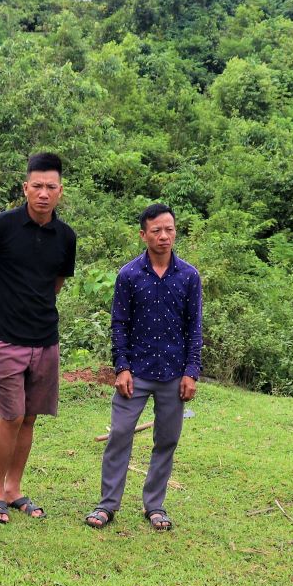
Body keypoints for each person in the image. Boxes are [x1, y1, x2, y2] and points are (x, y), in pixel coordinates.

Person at [0, 152, 77, 524]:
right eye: (37, 186)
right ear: (25, 188)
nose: (43, 193)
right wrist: (0, 307)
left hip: (45, 339)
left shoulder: (66, 237)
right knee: (10, 416)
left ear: (60, 191)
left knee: (30, 417)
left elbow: (55, 284)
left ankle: (14, 489)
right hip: (5, 339)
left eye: (51, 187)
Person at [86, 203, 202, 532]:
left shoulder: (189, 276)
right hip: (135, 372)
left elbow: (194, 326)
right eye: (156, 231)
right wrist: (121, 367)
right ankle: (107, 504)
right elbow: (119, 324)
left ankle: (155, 505)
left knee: (166, 440)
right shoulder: (129, 275)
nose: (164, 236)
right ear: (143, 235)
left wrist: (191, 371)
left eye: (169, 229)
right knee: (120, 435)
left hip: (173, 373)